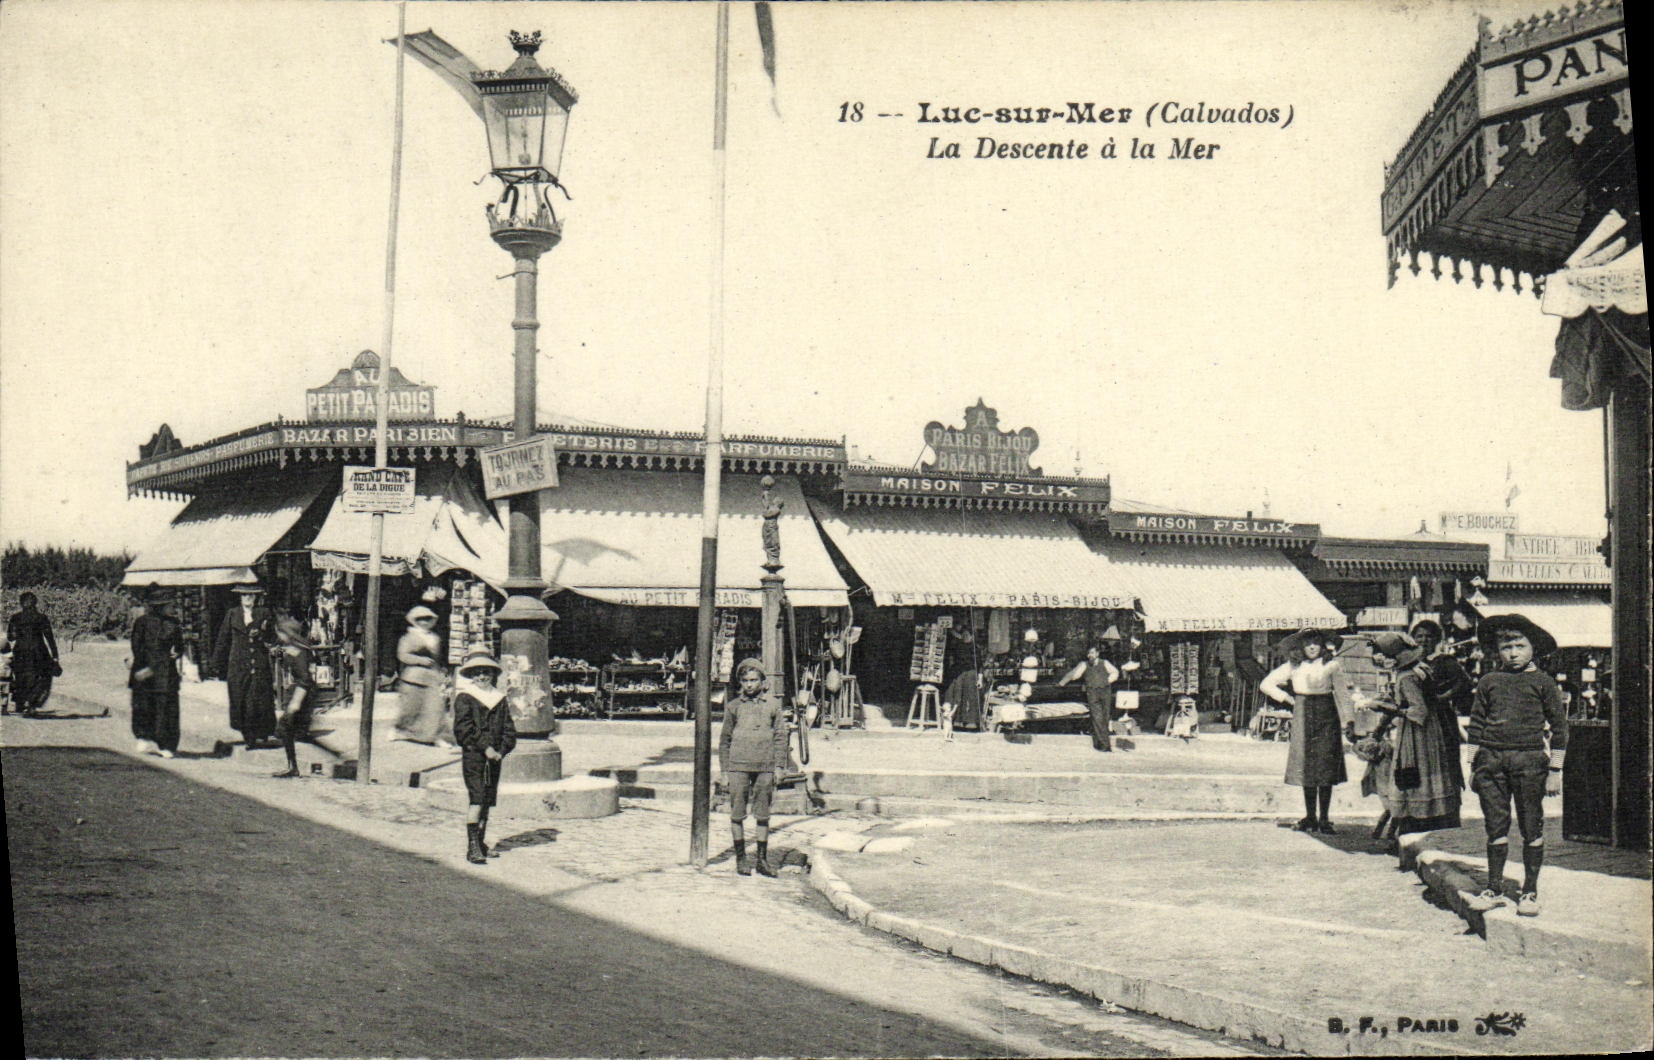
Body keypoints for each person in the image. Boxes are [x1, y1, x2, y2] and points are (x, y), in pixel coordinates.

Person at [1462, 615, 1567, 918]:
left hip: (1530, 762)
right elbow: (1477, 725)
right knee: (1495, 826)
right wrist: (1473, 766)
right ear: (1497, 650)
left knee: (1531, 825)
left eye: (1520, 645)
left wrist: (1555, 771)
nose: (1513, 652)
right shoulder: (1489, 681)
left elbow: (1560, 728)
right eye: (1506, 646)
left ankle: (1530, 891)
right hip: (1491, 762)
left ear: (1533, 648)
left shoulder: (1544, 683)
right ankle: (1494, 888)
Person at [1358, 632, 1462, 854]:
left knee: (1410, 777)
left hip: (1417, 733)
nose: (1381, 660)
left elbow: (1418, 711)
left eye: (1384, 656)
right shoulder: (1420, 669)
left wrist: (1387, 708)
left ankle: (1408, 836)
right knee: (1419, 779)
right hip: (1430, 733)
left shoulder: (1406, 678)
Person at [1260, 628, 1346, 834]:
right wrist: (1289, 699)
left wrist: (1349, 721)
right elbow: (1266, 684)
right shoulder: (1293, 666)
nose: (1312, 647)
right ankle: (1310, 817)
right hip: (1302, 713)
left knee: (1325, 765)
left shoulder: (1332, 665)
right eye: (1308, 643)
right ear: (1301, 647)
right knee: (1307, 765)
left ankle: (1324, 819)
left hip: (1326, 714)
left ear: (1323, 644)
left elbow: (1342, 694)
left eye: (1316, 642)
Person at [719, 658, 788, 877]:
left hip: (765, 766)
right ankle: (741, 859)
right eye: (745, 680)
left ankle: (761, 859)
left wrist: (779, 766)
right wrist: (724, 772)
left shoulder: (772, 706)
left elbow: (780, 737)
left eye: (754, 680)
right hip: (738, 766)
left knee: (763, 814)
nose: (750, 684)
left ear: (762, 681)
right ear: (740, 682)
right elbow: (724, 740)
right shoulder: (733, 707)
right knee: (737, 813)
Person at [452, 648, 516, 865]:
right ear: (471, 676)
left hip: (494, 759)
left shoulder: (499, 699)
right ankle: (472, 847)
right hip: (474, 757)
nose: (482, 677)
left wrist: (501, 750)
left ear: (493, 675)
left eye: (486, 673)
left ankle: (481, 842)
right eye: (477, 673)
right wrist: (485, 747)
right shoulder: (465, 698)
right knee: (477, 798)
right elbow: (463, 730)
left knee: (488, 799)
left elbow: (509, 730)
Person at [1410, 617, 1472, 791]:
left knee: (1444, 763)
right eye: (1419, 636)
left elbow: (1465, 683)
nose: (1423, 640)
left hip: (1441, 718)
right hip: (1416, 719)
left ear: (1437, 640)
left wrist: (1443, 697)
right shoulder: (1410, 663)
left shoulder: (1445, 661)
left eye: (1429, 636)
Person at [212, 582, 276, 748]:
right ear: (240, 597)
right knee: (241, 699)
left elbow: (272, 635)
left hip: (259, 663)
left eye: (251, 595)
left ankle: (259, 733)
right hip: (238, 664)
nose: (248, 598)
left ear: (256, 597)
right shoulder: (232, 614)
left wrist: (261, 633)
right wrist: (216, 662)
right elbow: (223, 638)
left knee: (257, 699)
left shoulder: (264, 613)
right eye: (245, 595)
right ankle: (248, 735)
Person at [129, 585, 183, 757]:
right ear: (161, 606)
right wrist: (144, 667)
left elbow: (179, 646)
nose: (172, 608)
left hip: (166, 672)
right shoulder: (142, 623)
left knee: (167, 709)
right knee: (144, 705)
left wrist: (177, 652)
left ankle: (166, 745)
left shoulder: (174, 625)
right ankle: (143, 737)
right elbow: (136, 647)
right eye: (170, 605)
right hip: (147, 670)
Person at [392, 605, 451, 748]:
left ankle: (436, 736)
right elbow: (402, 655)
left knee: (435, 707)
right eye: (421, 619)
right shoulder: (409, 637)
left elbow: (437, 658)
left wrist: (441, 673)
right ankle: (399, 730)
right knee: (410, 708)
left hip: (431, 677)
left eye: (427, 619)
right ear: (415, 621)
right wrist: (419, 660)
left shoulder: (435, 638)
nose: (424, 622)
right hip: (413, 677)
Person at [271, 616, 319, 779]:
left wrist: (295, 703)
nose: (279, 636)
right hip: (297, 694)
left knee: (286, 728)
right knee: (288, 730)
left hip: (302, 696)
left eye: (280, 633)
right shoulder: (294, 649)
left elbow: (304, 680)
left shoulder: (299, 652)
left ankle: (293, 767)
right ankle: (293, 766)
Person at [1058, 644, 1130, 752]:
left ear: (1097, 654)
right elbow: (1075, 675)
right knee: (1097, 718)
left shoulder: (1104, 663)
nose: (1090, 655)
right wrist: (1063, 681)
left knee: (1105, 717)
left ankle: (1101, 743)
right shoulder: (1085, 665)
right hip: (1092, 692)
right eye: (1088, 654)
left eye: (1092, 653)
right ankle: (1104, 745)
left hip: (1105, 691)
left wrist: (1107, 681)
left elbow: (1115, 672)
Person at [7, 591, 61, 716]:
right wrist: (55, 656)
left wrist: (18, 633)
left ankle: (20, 703)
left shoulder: (16, 618)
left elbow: (11, 637)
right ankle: (32, 705)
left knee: (21, 677)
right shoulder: (41, 618)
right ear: (35, 603)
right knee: (40, 678)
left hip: (21, 651)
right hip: (39, 651)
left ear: (21, 604)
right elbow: (49, 638)